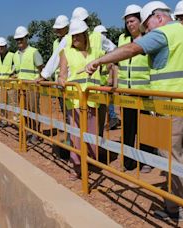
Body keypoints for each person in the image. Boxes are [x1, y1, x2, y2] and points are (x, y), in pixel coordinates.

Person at [84, 1, 183, 221]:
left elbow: (132, 48)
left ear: (158, 17)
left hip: (170, 105)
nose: (147, 31)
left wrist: (99, 60)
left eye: (147, 25)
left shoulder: (164, 34)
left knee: (170, 156)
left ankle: (176, 209)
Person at [58, 20, 106, 181]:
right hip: (76, 101)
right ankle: (76, 166)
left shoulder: (96, 52)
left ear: (86, 35)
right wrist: (61, 80)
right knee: (76, 136)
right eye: (74, 35)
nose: (76, 38)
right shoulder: (66, 52)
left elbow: (110, 62)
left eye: (79, 35)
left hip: (92, 99)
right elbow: (62, 73)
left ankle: (90, 162)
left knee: (92, 134)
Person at [117, 4, 155, 173]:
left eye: (132, 21)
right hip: (126, 92)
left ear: (141, 21)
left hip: (144, 92)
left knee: (145, 128)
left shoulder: (149, 39)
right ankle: (128, 161)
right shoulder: (122, 39)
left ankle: (146, 160)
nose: (130, 25)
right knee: (128, 128)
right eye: (127, 22)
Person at [13, 26, 44, 144]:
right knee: (24, 110)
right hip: (20, 87)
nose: (19, 41)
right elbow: (19, 71)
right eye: (17, 39)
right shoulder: (16, 55)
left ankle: (36, 133)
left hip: (32, 87)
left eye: (21, 39)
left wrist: (39, 80)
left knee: (33, 110)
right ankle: (29, 131)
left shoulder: (33, 52)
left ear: (26, 38)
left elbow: (41, 68)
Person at [94, 24, 121, 130]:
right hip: (100, 80)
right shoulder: (100, 48)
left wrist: (110, 78)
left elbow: (111, 65)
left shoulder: (107, 49)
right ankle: (111, 118)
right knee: (105, 102)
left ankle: (113, 118)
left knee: (107, 102)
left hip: (104, 81)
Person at [0, 37, 15, 127]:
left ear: (6, 46)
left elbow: (16, 69)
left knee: (13, 104)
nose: (0, 49)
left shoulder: (12, 56)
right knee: (2, 103)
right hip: (0, 85)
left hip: (10, 84)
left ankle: (16, 122)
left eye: (2, 47)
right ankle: (4, 120)